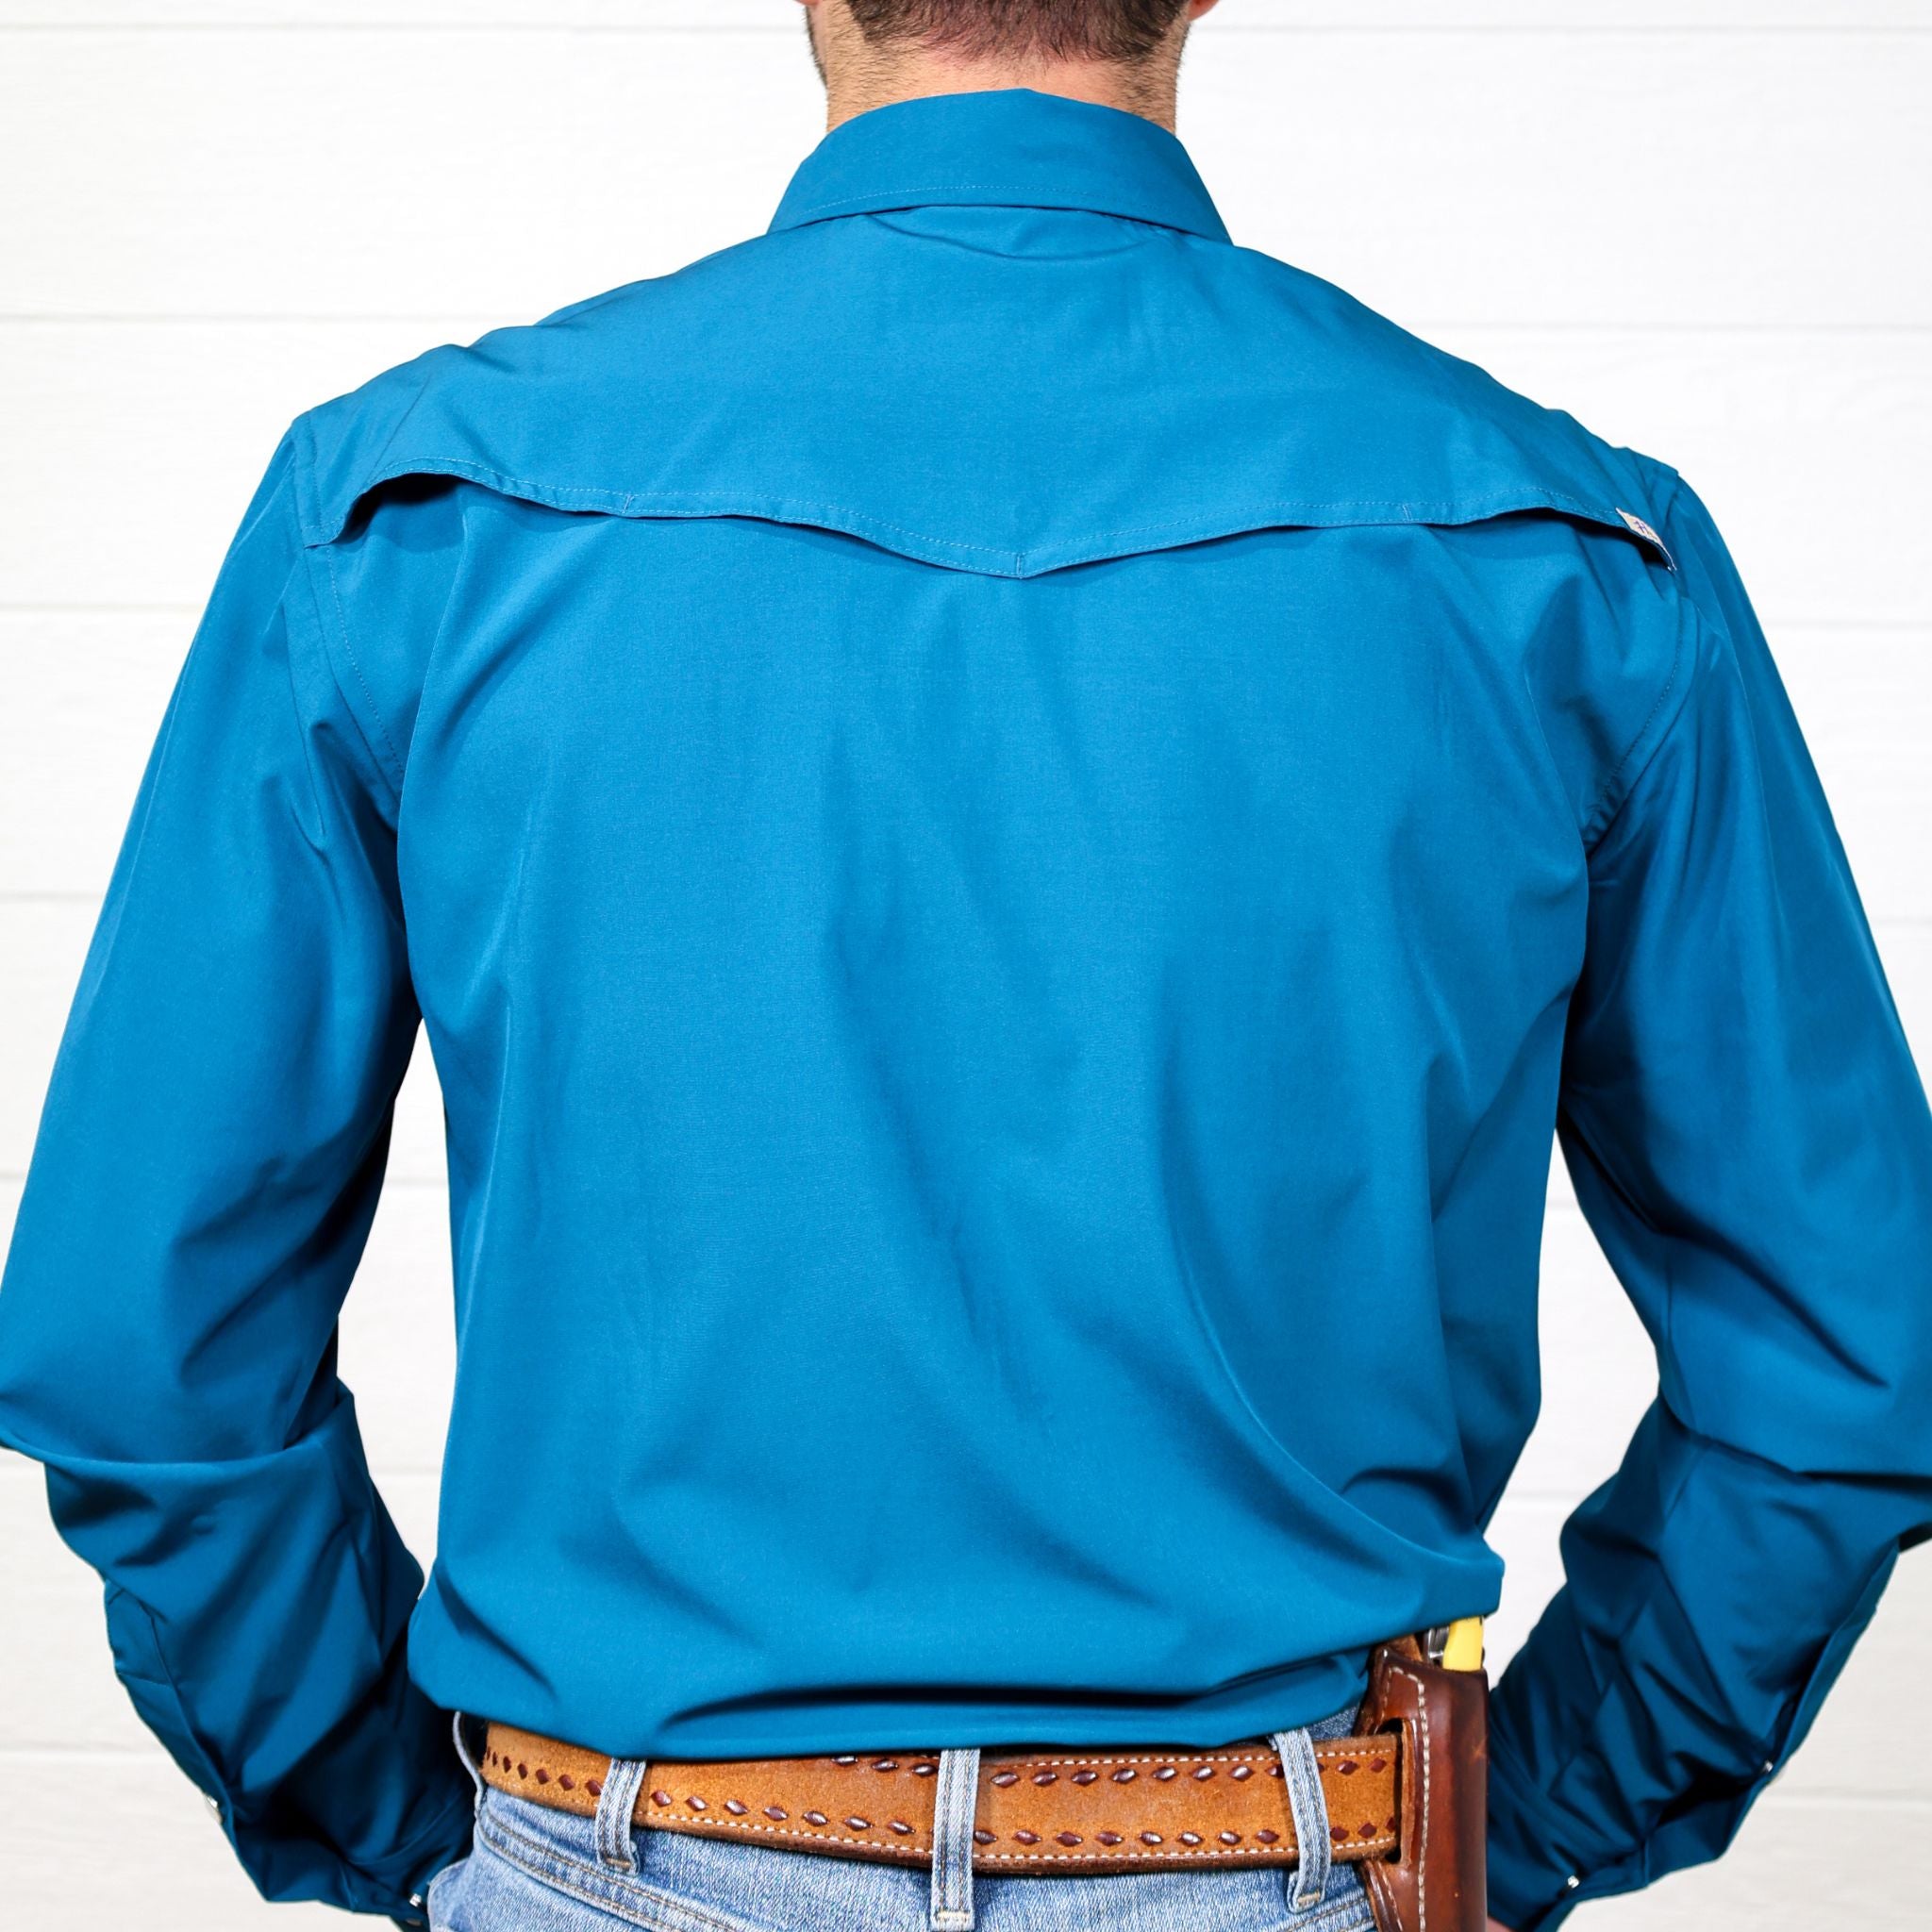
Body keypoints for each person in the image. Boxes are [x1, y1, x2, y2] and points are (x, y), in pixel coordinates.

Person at [1, 2, 1927, 1928]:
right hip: (1296, 1863)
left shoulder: (414, 514)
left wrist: (407, 1816)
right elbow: (1852, 1362)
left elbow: (138, 1349)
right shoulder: (1566, 550)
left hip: (614, 1856)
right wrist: (1522, 1819)